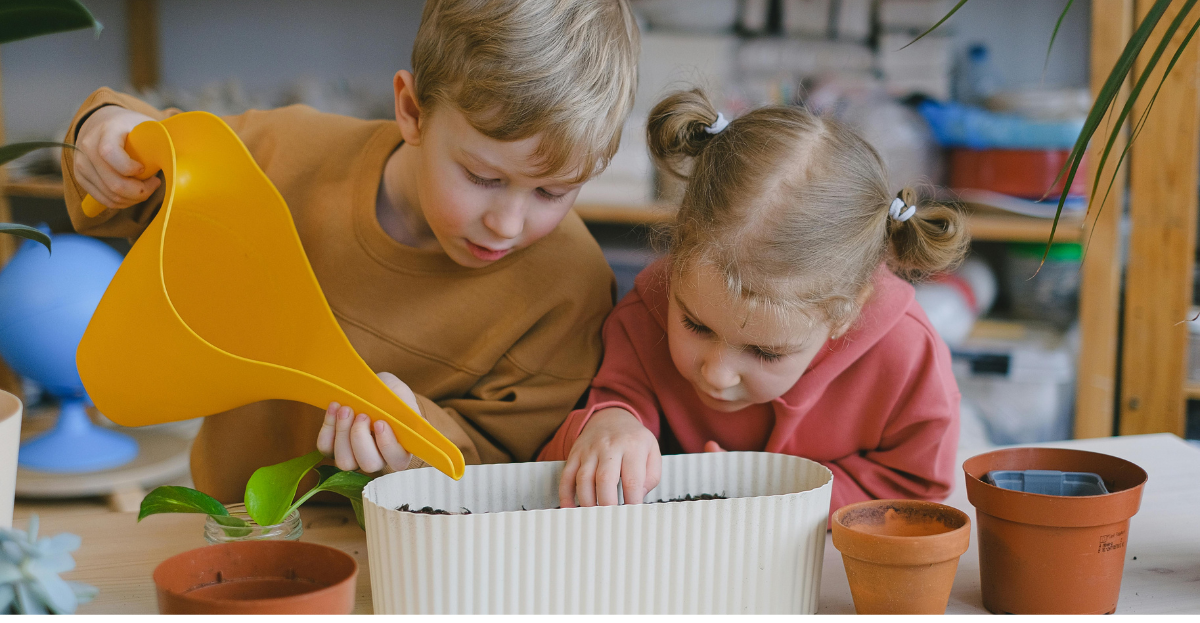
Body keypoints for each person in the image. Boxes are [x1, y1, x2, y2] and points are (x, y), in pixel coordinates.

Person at [63, 0, 639, 502]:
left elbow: (513, 463)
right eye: (482, 176)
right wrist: (104, 130)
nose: (507, 222)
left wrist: (416, 441)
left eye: (552, 192)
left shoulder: (571, 287)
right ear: (412, 111)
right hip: (234, 528)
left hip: (415, 559)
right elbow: (144, 172)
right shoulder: (283, 154)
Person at [540, 89, 969, 516]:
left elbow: (917, 490)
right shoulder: (646, 312)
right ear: (678, 262)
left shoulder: (906, 356)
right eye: (695, 326)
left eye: (765, 352)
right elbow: (611, 402)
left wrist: (776, 495)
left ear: (849, 311)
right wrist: (609, 424)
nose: (717, 375)